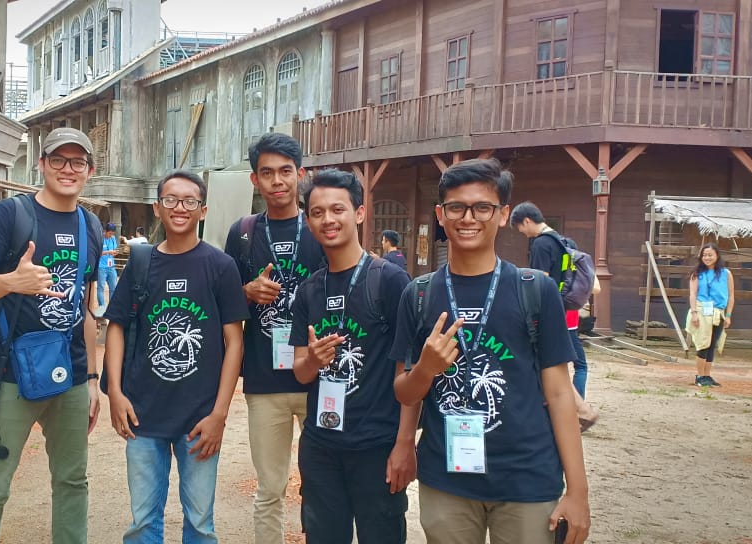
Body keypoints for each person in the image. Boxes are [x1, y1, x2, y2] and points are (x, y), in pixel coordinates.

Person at [392, 158, 590, 544]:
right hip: (446, 479)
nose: (469, 218)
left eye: (482, 207)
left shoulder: (535, 290)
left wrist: (578, 492)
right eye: (456, 207)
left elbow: (559, 393)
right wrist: (426, 369)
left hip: (526, 479)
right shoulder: (419, 294)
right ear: (441, 214)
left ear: (502, 215)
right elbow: (404, 392)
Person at [0, 127, 103, 544]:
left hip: (71, 377)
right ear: (41, 164)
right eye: (58, 159)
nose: (68, 169)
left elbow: (86, 309)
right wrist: (11, 282)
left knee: (73, 482)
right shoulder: (11, 215)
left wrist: (92, 380)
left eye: (78, 161)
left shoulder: (91, 225)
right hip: (10, 377)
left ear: (90, 170)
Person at [103, 170, 249, 544]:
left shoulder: (220, 266)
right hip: (143, 413)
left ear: (203, 210)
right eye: (170, 200)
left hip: (199, 419)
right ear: (157, 207)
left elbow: (234, 342)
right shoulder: (140, 263)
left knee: (200, 523)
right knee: (142, 522)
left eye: (189, 201)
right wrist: (115, 392)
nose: (179, 207)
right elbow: (116, 327)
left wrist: (219, 414)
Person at [289, 168, 415, 544]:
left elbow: (407, 368)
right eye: (317, 212)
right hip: (321, 446)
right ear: (308, 221)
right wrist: (314, 360)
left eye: (337, 209)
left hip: (376, 445)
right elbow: (300, 372)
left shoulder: (389, 281)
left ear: (359, 213)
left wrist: (404, 443)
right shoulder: (309, 290)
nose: (328, 219)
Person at [224, 132, 325, 544]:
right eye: (267, 173)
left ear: (301, 174)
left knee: (321, 485)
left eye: (286, 171)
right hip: (264, 382)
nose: (277, 181)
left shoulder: (320, 227)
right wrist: (246, 292)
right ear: (255, 180)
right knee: (269, 488)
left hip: (319, 378)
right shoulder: (243, 232)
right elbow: (225, 304)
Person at [510, 202, 589, 398]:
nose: (523, 233)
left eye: (520, 228)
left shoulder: (541, 244)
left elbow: (539, 280)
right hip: (566, 308)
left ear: (527, 221)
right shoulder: (566, 243)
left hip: (546, 311)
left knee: (542, 360)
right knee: (578, 364)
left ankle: (552, 401)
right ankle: (576, 401)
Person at [686, 242, 734, 387]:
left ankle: (707, 375)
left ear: (717, 256)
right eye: (704, 255)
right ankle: (700, 375)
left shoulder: (726, 274)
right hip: (702, 310)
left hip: (718, 312)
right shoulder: (697, 274)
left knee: (712, 344)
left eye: (710, 255)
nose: (707, 258)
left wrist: (728, 315)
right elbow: (693, 294)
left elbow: (731, 295)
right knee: (703, 344)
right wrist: (694, 313)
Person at [96, 223, 119, 316]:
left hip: (111, 266)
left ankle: (112, 308)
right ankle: (102, 308)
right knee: (101, 287)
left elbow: (114, 250)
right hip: (101, 267)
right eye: (109, 233)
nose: (111, 235)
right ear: (105, 231)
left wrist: (114, 253)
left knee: (113, 287)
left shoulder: (113, 239)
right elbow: (97, 252)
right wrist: (108, 252)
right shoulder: (100, 239)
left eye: (112, 233)